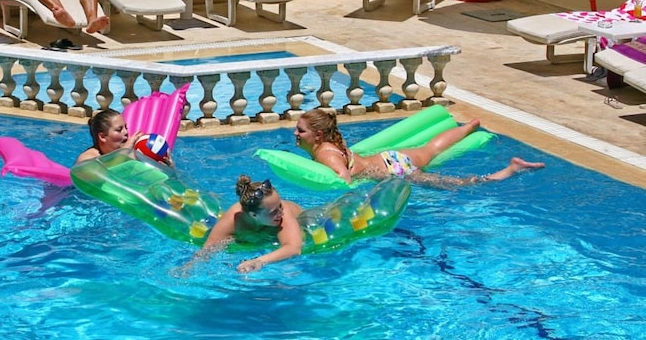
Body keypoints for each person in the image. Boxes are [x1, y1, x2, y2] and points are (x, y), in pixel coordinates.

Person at [294, 108, 544, 188]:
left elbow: (344, 179)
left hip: (393, 170)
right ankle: (469, 126)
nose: (295, 133)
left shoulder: (325, 154)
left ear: (318, 135)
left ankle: (509, 170)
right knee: (431, 148)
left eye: (301, 130)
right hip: (389, 158)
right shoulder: (331, 143)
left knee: (455, 184)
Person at [199, 176, 305, 273]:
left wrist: (259, 260)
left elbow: (294, 248)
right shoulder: (233, 220)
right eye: (273, 212)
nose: (281, 212)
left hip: (303, 222)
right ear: (254, 215)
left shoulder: (284, 215)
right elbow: (206, 251)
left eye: (280, 205)